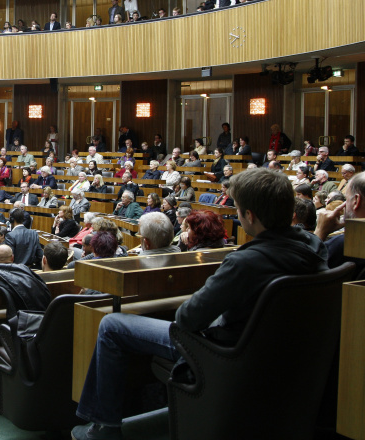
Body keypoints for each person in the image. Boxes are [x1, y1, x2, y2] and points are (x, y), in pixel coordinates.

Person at [72, 168, 328, 440]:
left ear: (250, 216)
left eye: (239, 209)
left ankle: (104, 427)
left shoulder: (245, 262)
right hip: (280, 352)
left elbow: (187, 319)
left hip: (224, 352)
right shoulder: (314, 246)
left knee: (112, 325)